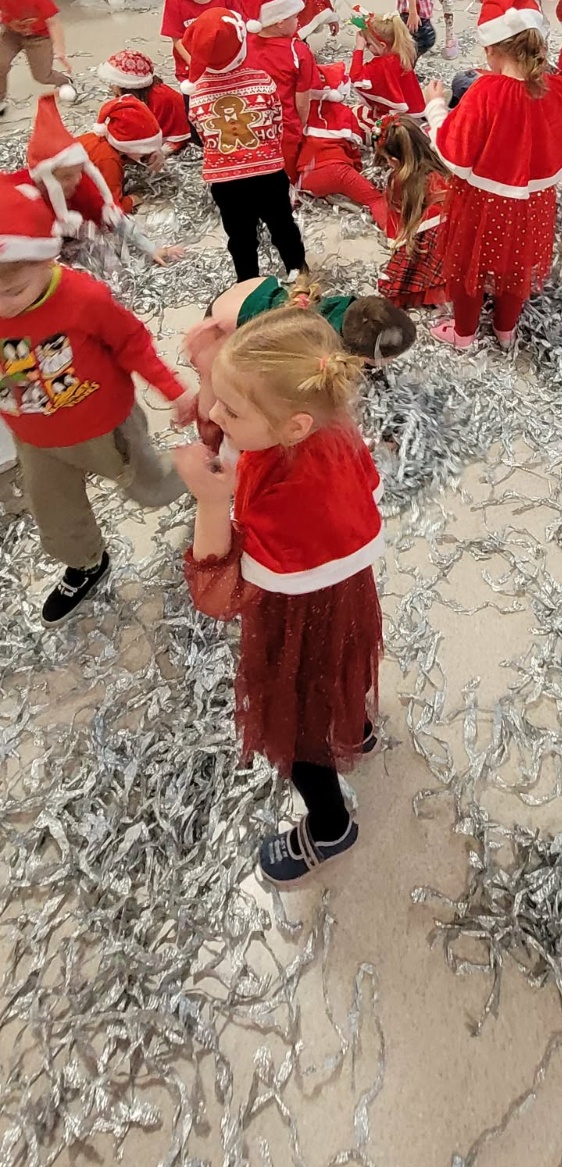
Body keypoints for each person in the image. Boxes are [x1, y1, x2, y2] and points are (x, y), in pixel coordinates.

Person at [175, 305, 383, 887]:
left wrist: (209, 501)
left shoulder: (284, 499)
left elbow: (219, 594)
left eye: (230, 408)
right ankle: (355, 727)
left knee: (297, 725)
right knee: (343, 664)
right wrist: (214, 393)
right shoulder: (330, 428)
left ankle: (330, 826)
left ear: (292, 426)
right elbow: (245, 427)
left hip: (294, 617)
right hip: (344, 593)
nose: (215, 414)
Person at [0, 176, 194, 626]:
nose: (2, 305)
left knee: (150, 487)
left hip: (104, 425)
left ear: (47, 260)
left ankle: (203, 471)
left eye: (12, 291)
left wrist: (174, 390)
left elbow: (132, 343)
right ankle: (86, 562)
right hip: (34, 436)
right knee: (55, 513)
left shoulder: (83, 298)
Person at [423, 0, 562, 350]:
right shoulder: (557, 87)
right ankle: (506, 330)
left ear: (491, 50)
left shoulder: (484, 92)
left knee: (469, 267)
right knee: (517, 267)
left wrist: (435, 107)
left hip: (482, 202)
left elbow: (454, 148)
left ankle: (464, 334)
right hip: (533, 204)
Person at [184, 277, 415, 454]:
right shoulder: (322, 353)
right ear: (365, 358)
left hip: (251, 289)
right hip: (223, 325)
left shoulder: (353, 312)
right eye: (391, 359)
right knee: (227, 392)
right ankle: (209, 443)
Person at [184, 6, 307, 283]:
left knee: (240, 235)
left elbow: (201, 134)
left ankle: (248, 282)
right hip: (268, 173)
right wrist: (266, 152)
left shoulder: (197, 92)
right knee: (282, 225)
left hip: (225, 181)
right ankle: (298, 271)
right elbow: (277, 123)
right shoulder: (262, 81)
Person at [16, 93, 181, 267]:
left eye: (80, 172)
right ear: (44, 179)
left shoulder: (83, 184)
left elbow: (114, 216)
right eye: (67, 177)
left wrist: (151, 248)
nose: (76, 180)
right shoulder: (25, 197)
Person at [242, 0, 320, 182]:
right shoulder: (298, 51)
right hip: (284, 130)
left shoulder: (243, 44)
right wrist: (301, 126)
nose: (298, 22)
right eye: (295, 17)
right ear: (280, 21)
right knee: (286, 180)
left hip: (249, 126)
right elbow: (302, 101)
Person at [294, 62, 388, 228]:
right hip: (338, 170)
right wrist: (356, 171)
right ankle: (395, 234)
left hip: (307, 176)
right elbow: (354, 147)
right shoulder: (345, 113)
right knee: (374, 199)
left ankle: (326, 194)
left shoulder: (302, 110)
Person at [373, 114, 448, 310]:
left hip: (432, 240)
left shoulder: (399, 181)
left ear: (394, 160)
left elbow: (398, 223)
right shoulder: (443, 168)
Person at [0, 0, 73, 112]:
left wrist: (60, 50)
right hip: (12, 32)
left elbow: (53, 22)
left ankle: (63, 81)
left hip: (39, 36)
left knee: (42, 75)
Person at [161, 0, 234, 92]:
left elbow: (239, 28)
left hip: (226, 66)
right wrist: (196, 65)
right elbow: (177, 40)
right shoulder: (174, 1)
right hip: (191, 73)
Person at [83, 94, 165, 215]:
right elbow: (111, 209)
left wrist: (154, 151)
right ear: (130, 147)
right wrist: (134, 199)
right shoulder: (108, 161)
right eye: (145, 151)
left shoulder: (102, 140)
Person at [97, 48, 191, 152]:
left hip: (175, 130)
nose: (111, 86)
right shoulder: (139, 96)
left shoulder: (157, 98)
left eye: (113, 83)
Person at [350, 13, 425, 124]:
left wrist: (359, 48)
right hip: (413, 110)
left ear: (382, 45)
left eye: (368, 44)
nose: (367, 47)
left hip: (397, 117)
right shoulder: (400, 55)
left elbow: (355, 77)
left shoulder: (382, 64)